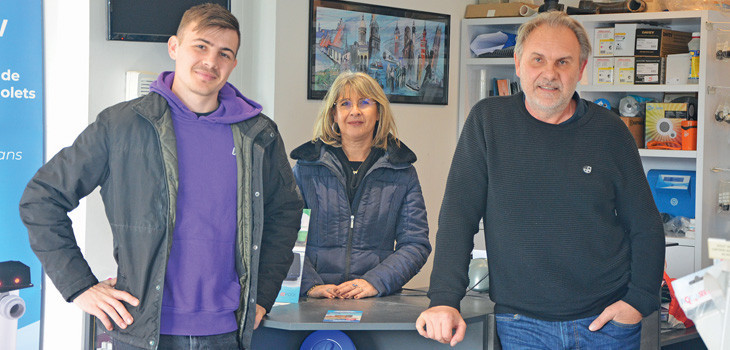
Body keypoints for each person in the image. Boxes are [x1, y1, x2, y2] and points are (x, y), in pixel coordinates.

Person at [19, 4, 303, 349]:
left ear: (233, 63)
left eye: (224, 53)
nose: (211, 62)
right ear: (174, 47)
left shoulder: (258, 135)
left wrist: (263, 295)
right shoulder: (120, 126)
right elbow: (41, 199)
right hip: (142, 330)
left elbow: (285, 213)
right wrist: (79, 286)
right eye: (200, 46)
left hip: (227, 333)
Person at [416, 11, 664, 349]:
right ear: (518, 63)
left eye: (563, 62)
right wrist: (444, 299)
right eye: (538, 60)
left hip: (606, 324)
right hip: (522, 325)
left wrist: (639, 302)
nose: (550, 74)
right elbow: (458, 217)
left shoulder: (611, 132)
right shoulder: (487, 122)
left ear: (581, 69)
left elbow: (647, 226)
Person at [290, 71, 431, 300]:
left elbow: (415, 244)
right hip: (313, 300)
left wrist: (375, 282)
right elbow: (286, 237)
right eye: (345, 103)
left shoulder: (402, 172)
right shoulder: (306, 169)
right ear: (334, 114)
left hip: (376, 300)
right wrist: (310, 285)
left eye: (365, 102)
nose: (355, 111)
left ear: (378, 113)